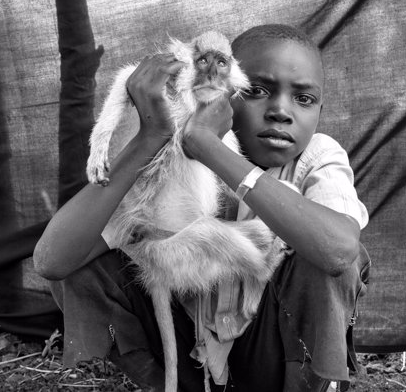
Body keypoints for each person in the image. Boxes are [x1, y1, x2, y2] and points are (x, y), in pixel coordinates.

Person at [33, 24, 371, 392]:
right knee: (85, 262)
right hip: (194, 357)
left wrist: (207, 144)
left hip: (277, 359)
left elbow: (339, 251)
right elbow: (54, 260)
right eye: (257, 91)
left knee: (329, 252)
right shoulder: (172, 162)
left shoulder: (317, 156)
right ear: (225, 95)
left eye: (304, 99)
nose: (280, 111)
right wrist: (152, 136)